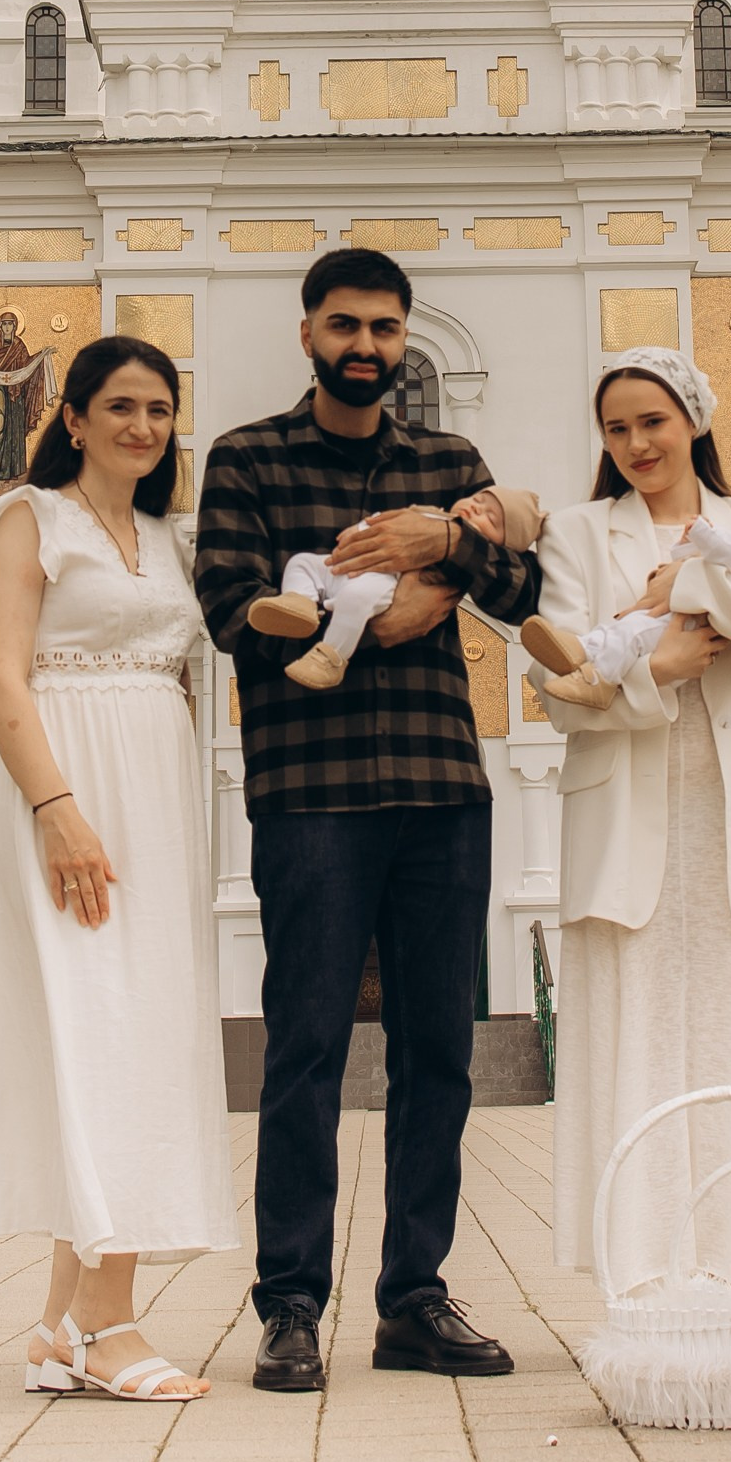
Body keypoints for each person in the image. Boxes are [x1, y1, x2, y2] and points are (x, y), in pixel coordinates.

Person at [194, 252, 543, 1392]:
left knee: (438, 1053)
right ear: (307, 334)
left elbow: (523, 591)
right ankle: (290, 1305)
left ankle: (413, 1300)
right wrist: (368, 621)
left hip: (441, 788)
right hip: (309, 793)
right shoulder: (247, 458)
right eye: (344, 325)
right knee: (305, 1050)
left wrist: (443, 549)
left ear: (403, 341)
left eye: (384, 329)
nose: (365, 346)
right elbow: (229, 609)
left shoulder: (449, 468)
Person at [533, 347, 731, 1297]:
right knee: (630, 1036)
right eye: (617, 428)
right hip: (625, 811)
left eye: (653, 422)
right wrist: (655, 673)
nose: (636, 443)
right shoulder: (577, 534)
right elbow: (556, 689)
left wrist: (696, 587)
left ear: (695, 422)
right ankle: (640, 1272)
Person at [0, 332, 236, 1402]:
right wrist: (56, 810)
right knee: (99, 1031)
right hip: (69, 790)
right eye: (120, 406)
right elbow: (0, 680)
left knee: (142, 1029)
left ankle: (55, 1329)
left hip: (155, 799)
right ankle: (105, 1324)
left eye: (159, 410)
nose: (142, 426)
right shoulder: (29, 520)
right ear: (72, 418)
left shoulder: (168, 538)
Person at [522, 506, 731, 709]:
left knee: (633, 634)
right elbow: (689, 558)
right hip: (669, 620)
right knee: (622, 630)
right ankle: (579, 648)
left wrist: (701, 538)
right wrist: (689, 545)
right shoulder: (570, 529)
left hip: (678, 626)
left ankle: (599, 679)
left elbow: (721, 552)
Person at [249, 485, 543, 687]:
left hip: (386, 581)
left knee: (356, 599)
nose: (476, 509)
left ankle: (330, 657)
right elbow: (390, 522)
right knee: (302, 563)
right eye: (478, 500)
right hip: (345, 565)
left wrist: (451, 544)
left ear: (499, 545)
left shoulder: (467, 555)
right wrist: (363, 529)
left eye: (490, 517)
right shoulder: (430, 511)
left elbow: (445, 582)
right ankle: (299, 603)